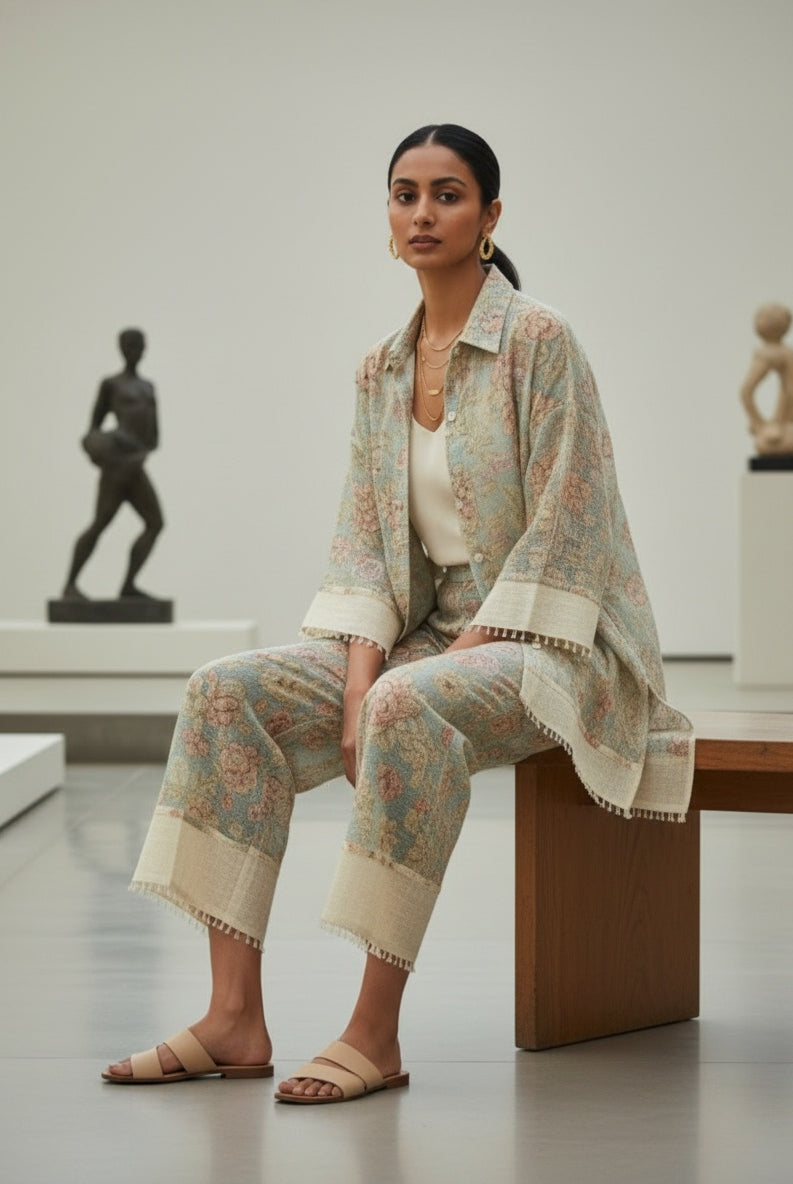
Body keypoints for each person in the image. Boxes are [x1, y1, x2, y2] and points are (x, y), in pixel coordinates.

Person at [103, 125, 694, 1101]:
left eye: (447, 195)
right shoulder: (379, 369)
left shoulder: (539, 342)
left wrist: (427, 669)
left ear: (489, 216)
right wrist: (356, 683)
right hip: (429, 638)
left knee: (404, 703)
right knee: (223, 693)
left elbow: (571, 524)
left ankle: (373, 1031)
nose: (422, 213)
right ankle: (233, 1015)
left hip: (555, 641)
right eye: (404, 194)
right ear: (387, 215)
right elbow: (365, 543)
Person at [62, 327, 164, 601]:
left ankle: (128, 585)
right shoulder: (111, 385)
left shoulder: (148, 387)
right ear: (122, 349)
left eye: (139, 346)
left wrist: (140, 448)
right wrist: (111, 442)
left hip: (135, 466)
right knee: (100, 523)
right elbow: (93, 428)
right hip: (117, 467)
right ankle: (70, 585)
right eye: (130, 345)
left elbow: (154, 437)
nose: (135, 351)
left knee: (155, 523)